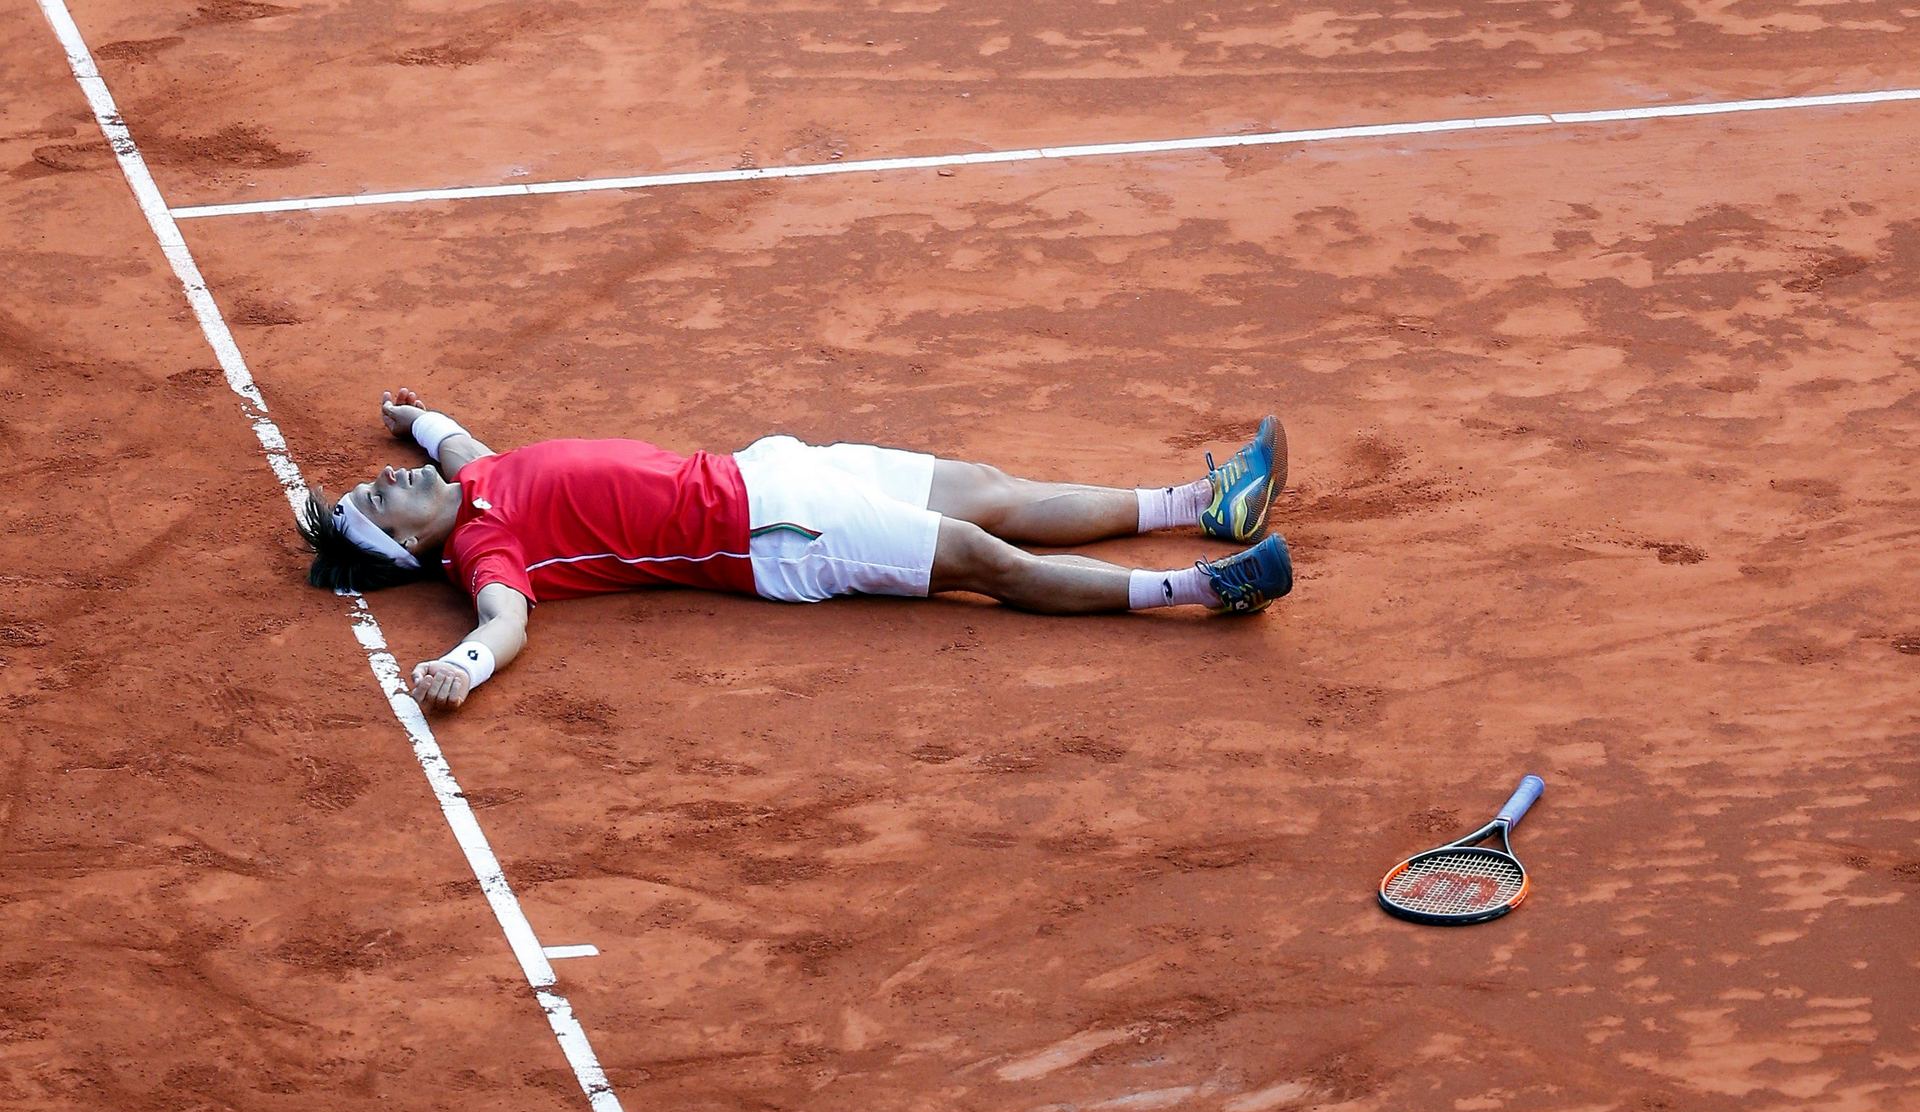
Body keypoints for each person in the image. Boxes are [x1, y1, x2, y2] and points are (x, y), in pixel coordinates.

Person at [297, 388, 1293, 711]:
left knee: (991, 489)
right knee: (985, 557)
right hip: (774, 534)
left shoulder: (474, 477)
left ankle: (1210, 503)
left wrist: (411, 416)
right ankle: (1204, 586)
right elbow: (506, 619)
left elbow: (454, 440)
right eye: (373, 501)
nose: (380, 480)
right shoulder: (480, 544)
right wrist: (463, 666)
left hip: (774, 467)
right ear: (406, 544)